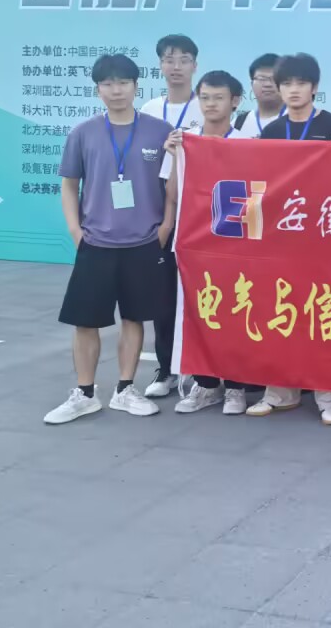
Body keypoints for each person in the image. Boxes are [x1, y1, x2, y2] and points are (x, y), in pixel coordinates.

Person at [44, 54, 174, 424]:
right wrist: (76, 231)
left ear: (136, 86)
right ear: (98, 89)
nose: (116, 90)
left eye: (123, 83)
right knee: (85, 321)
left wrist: (165, 227)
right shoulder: (83, 133)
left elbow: (172, 186)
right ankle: (84, 393)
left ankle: (125, 389)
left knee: (134, 318)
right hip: (96, 243)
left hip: (144, 242)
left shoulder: (160, 131)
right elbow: (69, 185)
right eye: (108, 83)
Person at [247, 53, 331, 424]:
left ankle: (329, 396)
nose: (294, 90)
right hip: (283, 238)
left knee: (323, 314)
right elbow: (261, 185)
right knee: (282, 312)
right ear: (279, 89)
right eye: (287, 83)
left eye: (301, 83)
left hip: (324, 237)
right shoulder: (272, 131)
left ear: (314, 87)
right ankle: (280, 392)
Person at [162, 70, 261, 415]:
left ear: (235, 101)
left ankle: (235, 387)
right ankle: (205, 385)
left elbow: (257, 195)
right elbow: (173, 195)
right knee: (198, 311)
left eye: (218, 97)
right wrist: (175, 156)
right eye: (204, 98)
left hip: (234, 242)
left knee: (235, 311)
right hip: (195, 241)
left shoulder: (247, 143)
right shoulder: (186, 141)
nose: (210, 104)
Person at [142, 33, 204, 398]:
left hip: (196, 208)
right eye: (169, 59)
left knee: (198, 292)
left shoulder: (206, 106)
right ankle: (165, 369)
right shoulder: (149, 109)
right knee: (162, 294)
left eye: (183, 59)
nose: (176, 66)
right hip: (157, 205)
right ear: (160, 66)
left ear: (195, 65)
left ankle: (200, 370)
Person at [236, 53, 285, 136]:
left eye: (275, 79)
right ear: (252, 84)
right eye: (261, 79)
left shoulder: (299, 120)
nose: (268, 84)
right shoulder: (239, 123)